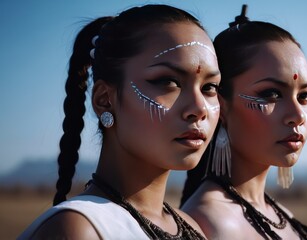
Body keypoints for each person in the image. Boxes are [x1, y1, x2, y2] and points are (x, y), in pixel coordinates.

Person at [18, 4, 221, 239]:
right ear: (105, 100)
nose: (199, 108)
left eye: (210, 87)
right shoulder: (78, 229)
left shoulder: (191, 227)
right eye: (168, 81)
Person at [181, 5, 307, 240]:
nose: (298, 115)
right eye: (272, 94)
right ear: (221, 106)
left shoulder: (279, 214)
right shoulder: (211, 223)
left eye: (304, 96)